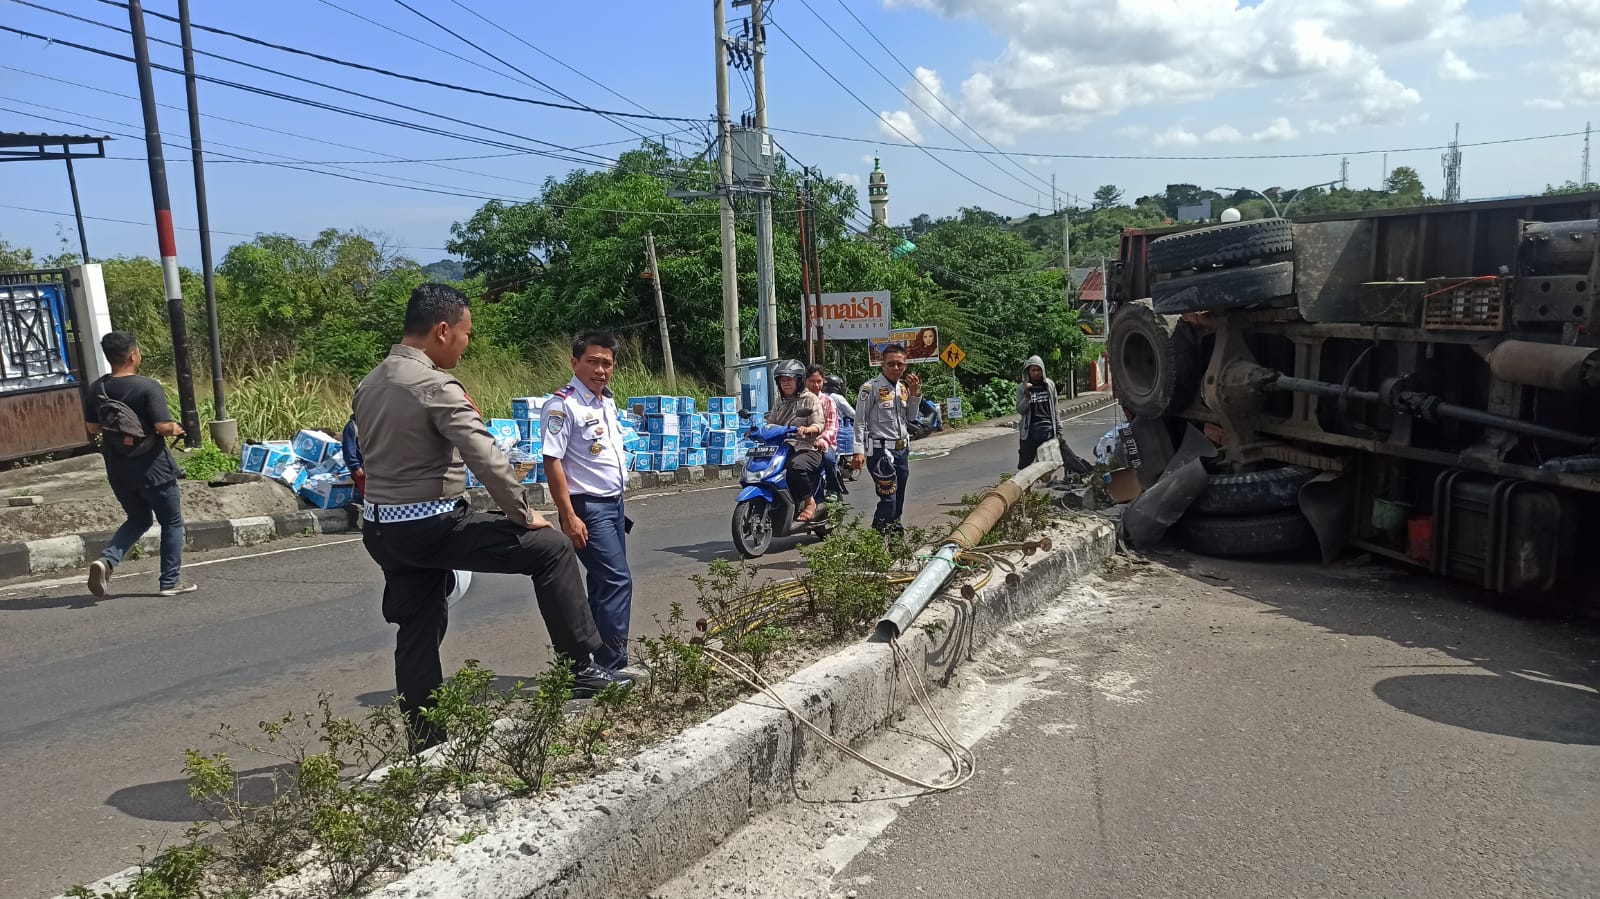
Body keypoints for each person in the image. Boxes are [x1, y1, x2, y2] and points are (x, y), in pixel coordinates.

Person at [354, 283, 627, 749]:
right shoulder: (434, 385)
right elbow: (485, 457)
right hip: (431, 524)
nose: (466, 343)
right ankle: (583, 665)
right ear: (442, 331)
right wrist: (524, 515)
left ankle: (426, 739)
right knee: (551, 549)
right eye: (465, 333)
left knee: (417, 630)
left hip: (382, 529)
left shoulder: (372, 381)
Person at [542, 332, 634, 672]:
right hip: (587, 508)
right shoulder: (563, 405)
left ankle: (595, 662)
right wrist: (567, 516)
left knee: (602, 584)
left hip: (613, 505)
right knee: (616, 581)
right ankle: (613, 664)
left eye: (606, 363)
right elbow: (552, 461)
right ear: (575, 363)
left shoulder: (605, 401)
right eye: (592, 361)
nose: (600, 369)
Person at [83, 331, 194, 597]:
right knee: (172, 522)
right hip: (152, 468)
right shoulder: (147, 386)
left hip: (118, 469)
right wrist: (176, 429)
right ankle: (170, 582)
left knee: (138, 518)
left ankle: (107, 561)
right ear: (133, 355)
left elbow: (93, 427)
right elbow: (162, 426)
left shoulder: (97, 388)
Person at [853, 343, 921, 532]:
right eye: (891, 364)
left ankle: (892, 534)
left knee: (898, 498)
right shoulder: (870, 388)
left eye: (900, 364)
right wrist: (858, 451)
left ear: (905, 366)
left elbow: (911, 418)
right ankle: (877, 533)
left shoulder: (903, 389)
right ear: (882, 365)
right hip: (880, 450)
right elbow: (859, 421)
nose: (896, 368)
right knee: (888, 496)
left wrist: (915, 396)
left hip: (901, 449)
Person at [766, 358, 827, 522]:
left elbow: (819, 424)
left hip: (808, 448)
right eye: (782, 380)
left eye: (789, 379)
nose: (785, 383)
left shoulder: (810, 399)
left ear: (799, 380)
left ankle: (809, 502)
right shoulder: (780, 401)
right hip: (782, 448)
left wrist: (808, 429)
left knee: (794, 467)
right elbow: (771, 422)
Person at [805, 364, 843, 498]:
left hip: (825, 443)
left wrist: (822, 440)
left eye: (818, 381)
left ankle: (833, 488)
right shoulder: (800, 401)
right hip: (803, 443)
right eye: (812, 381)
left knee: (828, 459)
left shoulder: (828, 401)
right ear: (805, 381)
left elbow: (832, 426)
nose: (815, 385)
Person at [1016, 355, 1060, 468]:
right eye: (1033, 370)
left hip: (1047, 430)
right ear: (1028, 371)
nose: (1036, 373)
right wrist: (1027, 396)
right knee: (1024, 465)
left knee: (1047, 464)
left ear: (1043, 370)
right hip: (1029, 431)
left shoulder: (1049, 385)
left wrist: (1059, 428)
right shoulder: (1022, 388)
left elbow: (1055, 409)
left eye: (1038, 369)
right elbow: (1020, 410)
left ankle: (1046, 484)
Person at [824, 375, 857, 481]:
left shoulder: (819, 396)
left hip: (821, 428)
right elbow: (851, 413)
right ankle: (847, 459)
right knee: (847, 436)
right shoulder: (837, 398)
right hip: (836, 427)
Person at [341, 414, 365, 498]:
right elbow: (348, 449)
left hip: (377, 468)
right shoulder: (352, 426)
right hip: (362, 470)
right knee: (369, 498)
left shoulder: (372, 423)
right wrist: (356, 467)